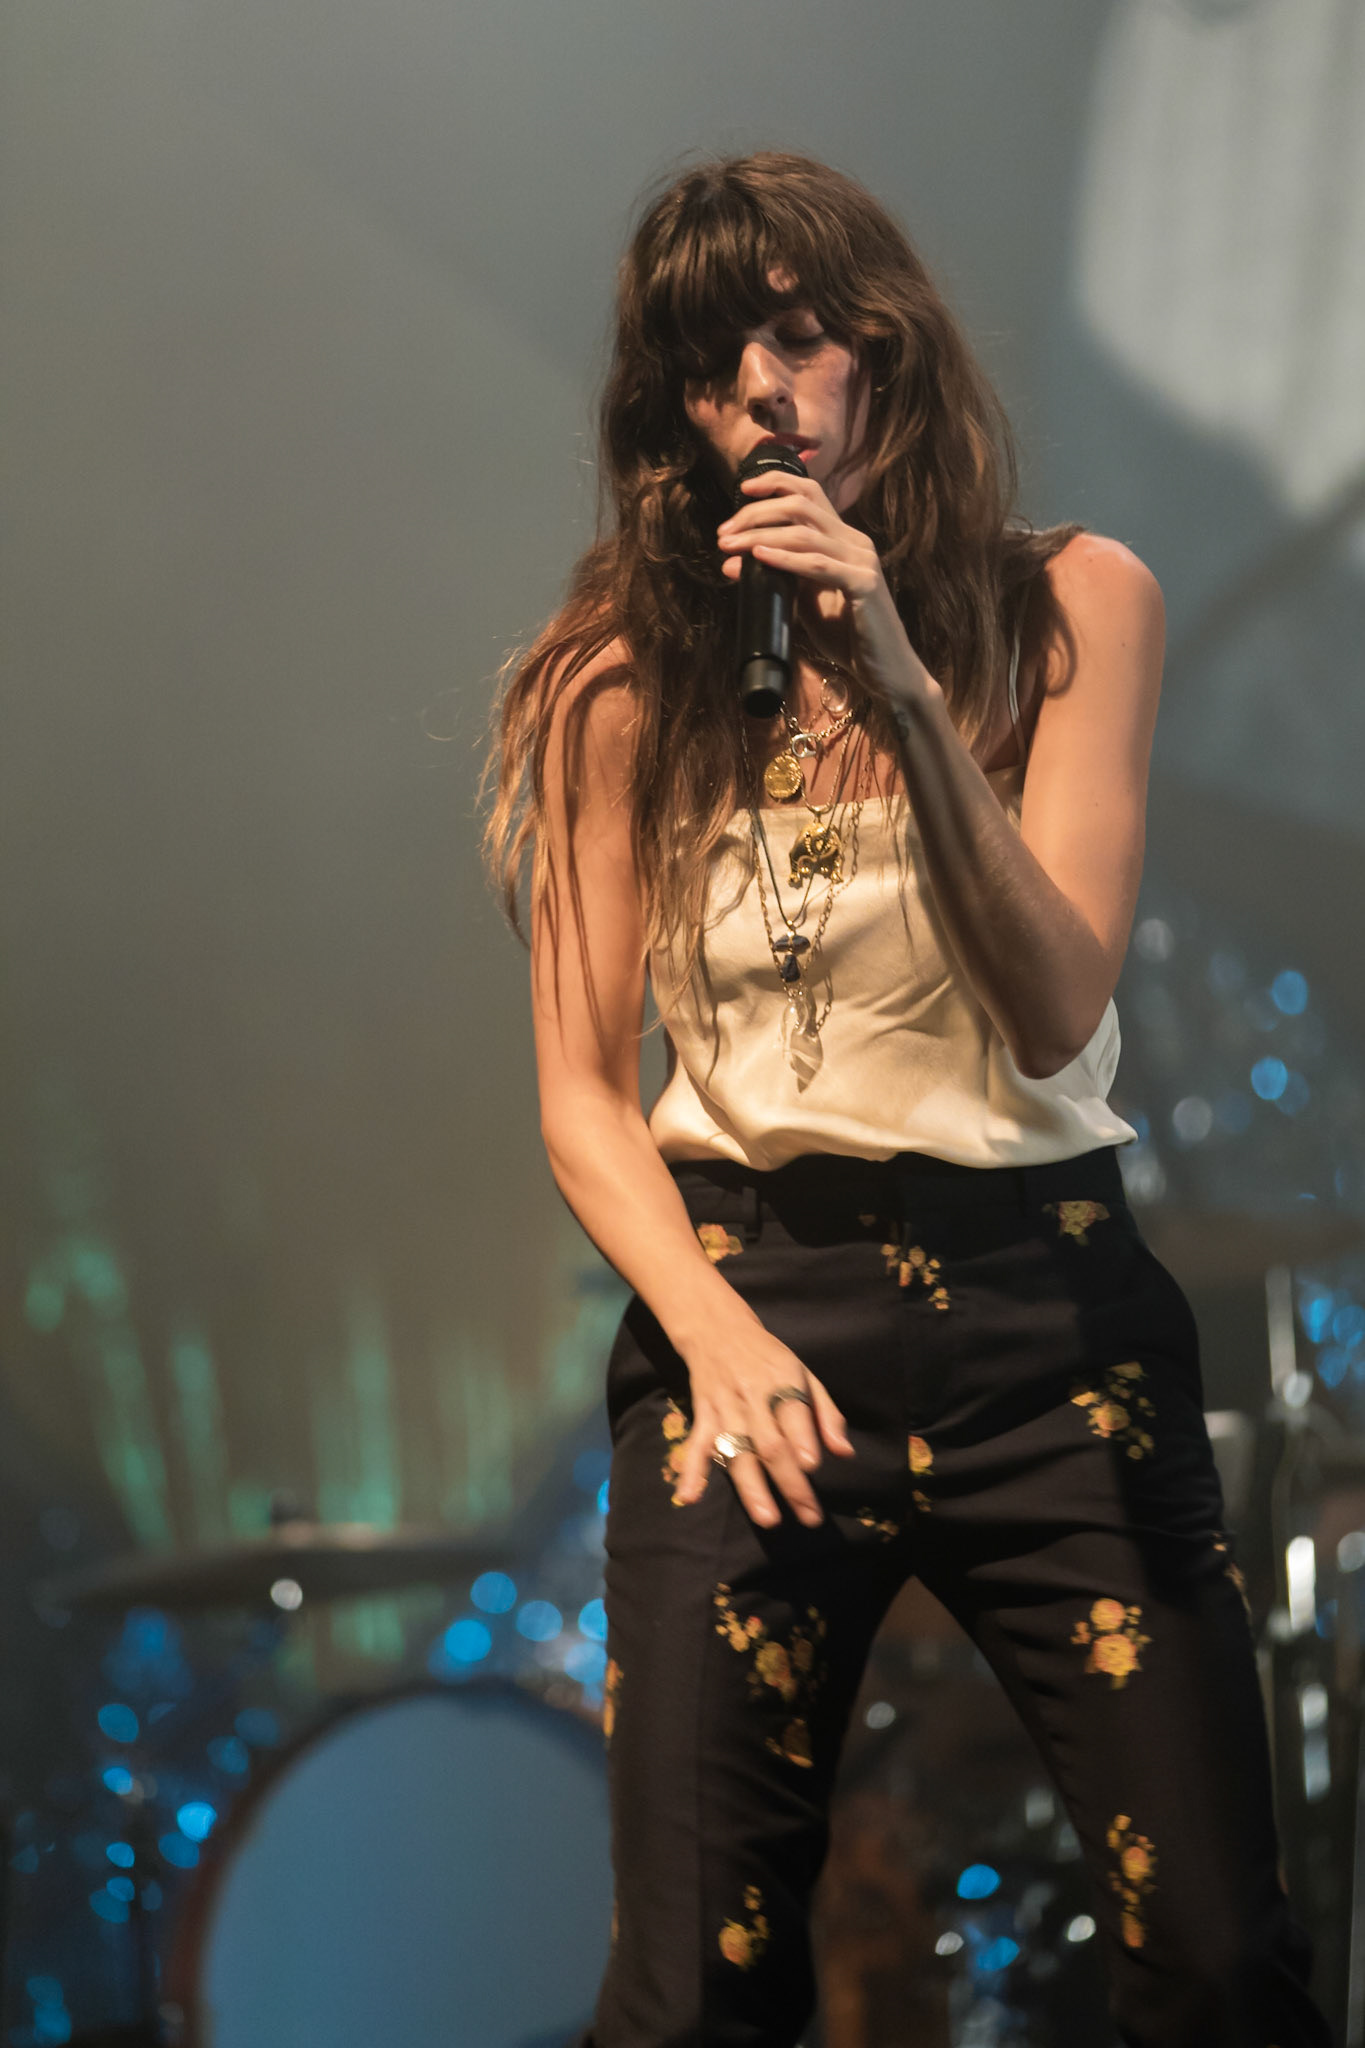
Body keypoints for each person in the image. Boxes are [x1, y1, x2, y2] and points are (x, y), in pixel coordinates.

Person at [485, 152, 1330, 2048]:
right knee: (696, 1990)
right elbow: (578, 1096)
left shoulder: (1072, 610)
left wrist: (898, 675)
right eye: (709, 367)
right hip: (754, 1321)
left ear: (885, 345)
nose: (759, 395)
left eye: (791, 337)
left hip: (1045, 1322)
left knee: (1213, 1955)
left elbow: (1050, 1003)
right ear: (671, 422)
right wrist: (709, 1336)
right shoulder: (614, 688)